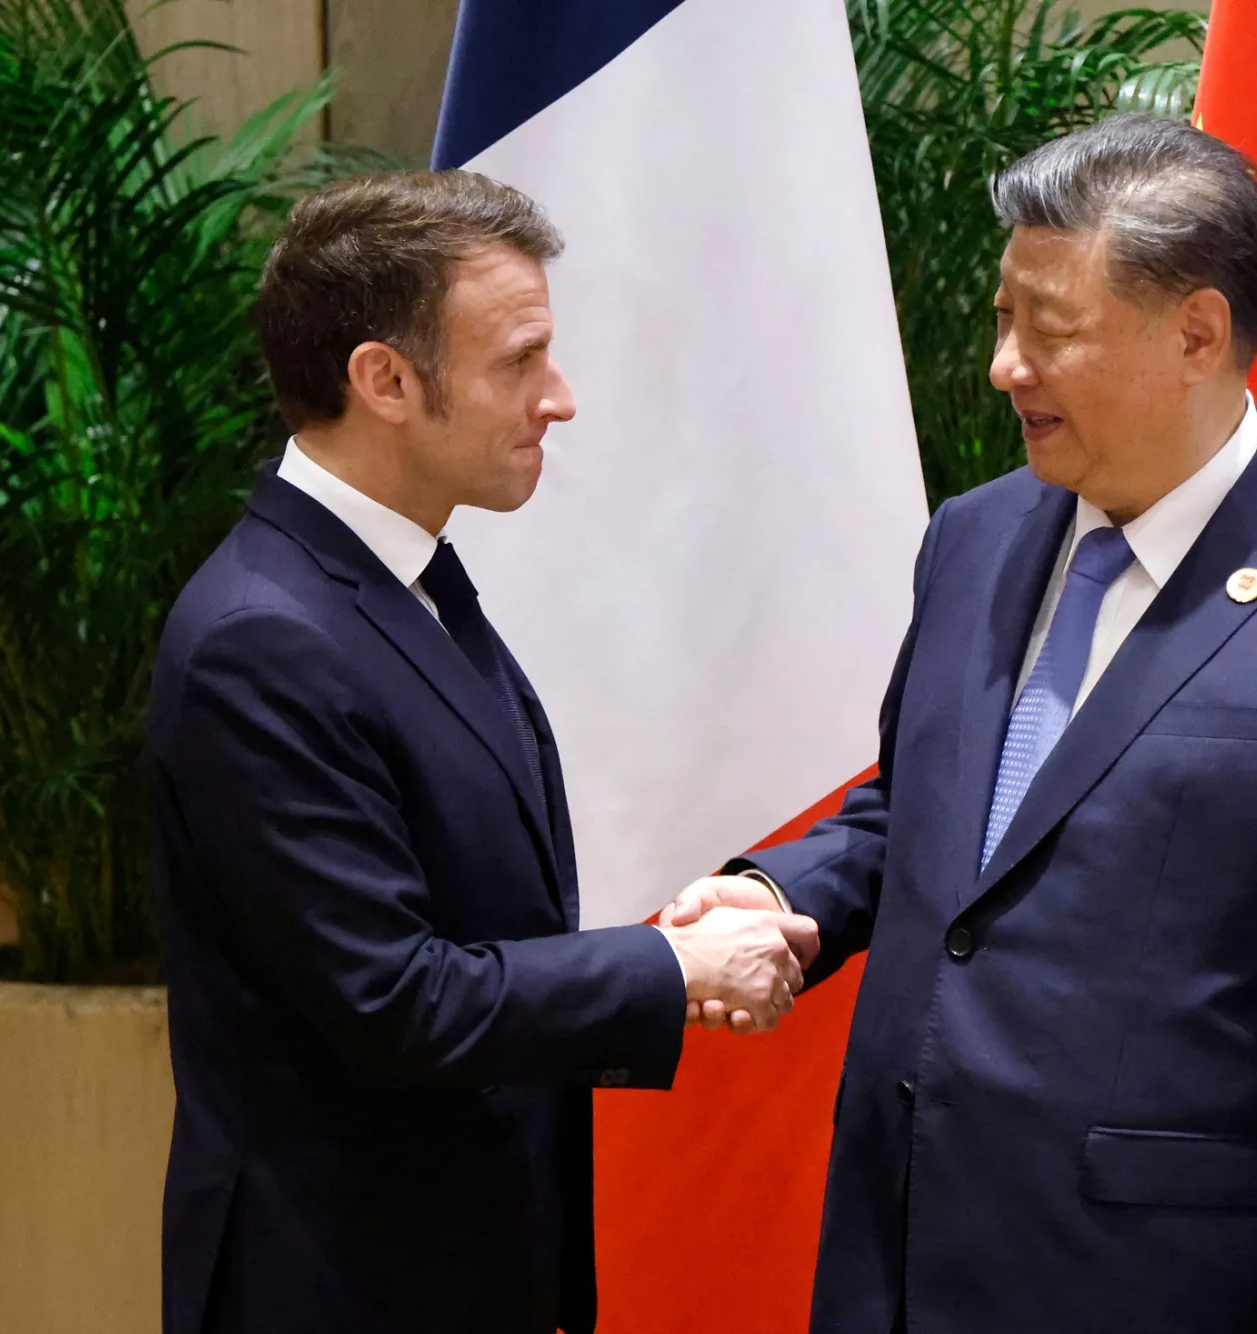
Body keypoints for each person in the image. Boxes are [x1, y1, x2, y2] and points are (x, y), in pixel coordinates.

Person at [664, 116, 1257, 1334]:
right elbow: (924, 811)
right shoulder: (975, 535)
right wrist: (785, 893)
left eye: (1045, 330)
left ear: (1195, 334)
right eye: (1003, 317)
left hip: (1140, 1285)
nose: (1003, 364)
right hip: (893, 1254)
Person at [148, 170, 816, 1334]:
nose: (557, 398)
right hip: (339, 1285)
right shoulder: (262, 639)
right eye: (518, 359)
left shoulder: (400, 572)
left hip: (460, 1264)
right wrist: (672, 971)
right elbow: (390, 997)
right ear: (384, 380)